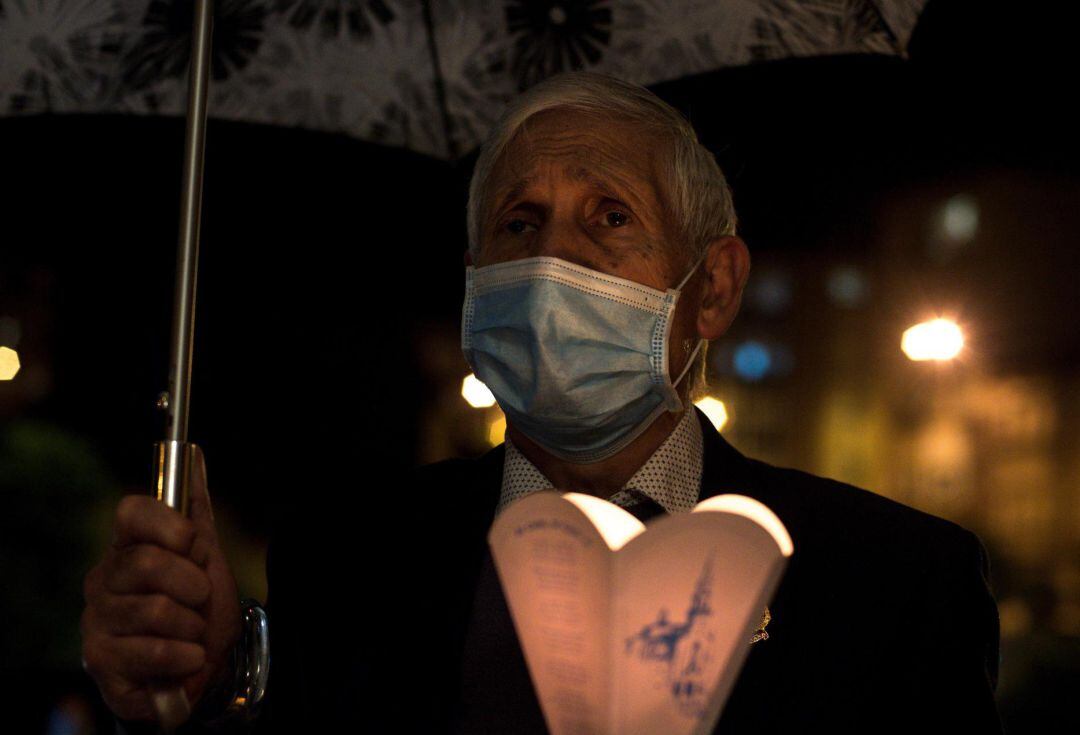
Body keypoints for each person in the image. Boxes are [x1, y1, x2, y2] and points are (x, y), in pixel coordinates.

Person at [81, 72, 1003, 734]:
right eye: (520, 224)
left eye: (610, 217)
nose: (554, 259)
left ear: (712, 289)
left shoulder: (896, 582)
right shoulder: (348, 560)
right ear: (478, 282)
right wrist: (198, 697)